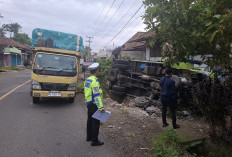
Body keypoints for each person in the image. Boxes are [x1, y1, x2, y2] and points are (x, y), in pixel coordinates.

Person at [84, 62, 105, 146]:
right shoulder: (95, 81)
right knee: (95, 122)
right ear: (96, 71)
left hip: (89, 103)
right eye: (98, 70)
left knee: (89, 120)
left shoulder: (88, 80)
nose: (98, 71)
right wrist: (101, 107)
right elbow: (97, 96)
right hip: (94, 104)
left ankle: (89, 137)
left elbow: (86, 92)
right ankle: (94, 141)